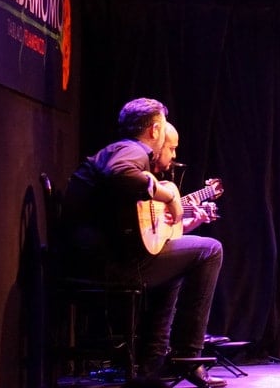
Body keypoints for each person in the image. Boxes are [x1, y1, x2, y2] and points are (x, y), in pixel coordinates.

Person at [60, 98, 226, 388]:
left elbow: (136, 222)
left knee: (178, 255)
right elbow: (120, 174)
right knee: (211, 249)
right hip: (107, 265)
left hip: (101, 259)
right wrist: (169, 195)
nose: (171, 152)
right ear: (155, 128)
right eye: (169, 142)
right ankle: (188, 355)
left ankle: (154, 360)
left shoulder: (120, 150)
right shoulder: (131, 150)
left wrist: (181, 220)